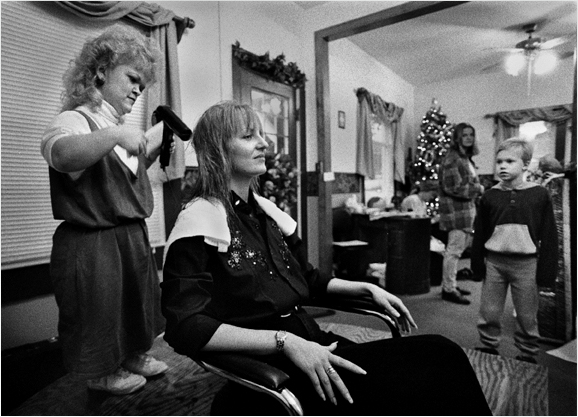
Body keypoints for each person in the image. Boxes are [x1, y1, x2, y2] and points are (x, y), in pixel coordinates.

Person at [161, 101, 491, 415]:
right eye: (249, 136)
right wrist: (284, 342)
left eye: (261, 134)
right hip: (277, 368)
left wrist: (364, 288)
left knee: (437, 364)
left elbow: (306, 279)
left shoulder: (266, 215)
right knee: (438, 357)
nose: (264, 144)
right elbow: (185, 326)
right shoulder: (199, 222)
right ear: (218, 150)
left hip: (314, 344)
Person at [40, 25, 167, 395]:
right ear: (100, 72)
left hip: (130, 236)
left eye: (142, 84)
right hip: (93, 242)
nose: (138, 90)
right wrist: (114, 136)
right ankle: (100, 372)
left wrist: (150, 149)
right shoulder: (76, 119)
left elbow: (120, 180)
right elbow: (61, 156)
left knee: (134, 302)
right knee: (99, 309)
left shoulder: (117, 126)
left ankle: (132, 354)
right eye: (132, 78)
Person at [471, 138, 558, 364]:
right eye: (499, 161)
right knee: (489, 311)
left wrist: (547, 271)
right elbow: (480, 233)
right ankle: (488, 346)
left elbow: (549, 235)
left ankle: (527, 353)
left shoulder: (539, 194)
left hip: (526, 265)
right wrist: (477, 264)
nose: (503, 166)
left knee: (527, 314)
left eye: (510, 161)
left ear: (525, 164)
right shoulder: (489, 196)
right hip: (494, 263)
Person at [438, 123, 484, 304]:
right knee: (453, 251)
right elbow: (453, 187)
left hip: (466, 211)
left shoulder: (465, 159)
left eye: (471, 134)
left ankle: (451, 285)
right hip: (456, 213)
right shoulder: (453, 159)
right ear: (457, 138)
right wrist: (478, 189)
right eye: (464, 135)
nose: (469, 138)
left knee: (457, 251)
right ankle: (448, 290)